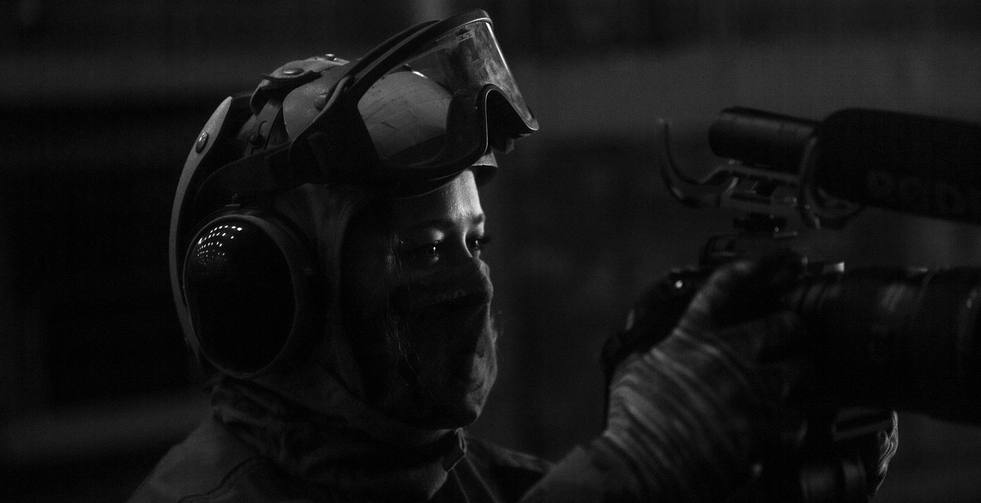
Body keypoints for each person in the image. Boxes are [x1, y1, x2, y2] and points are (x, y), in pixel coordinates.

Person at [129, 9, 896, 503]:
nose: (470, 279)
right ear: (267, 295)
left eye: (475, 240)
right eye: (425, 249)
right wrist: (639, 464)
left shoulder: (473, 484)